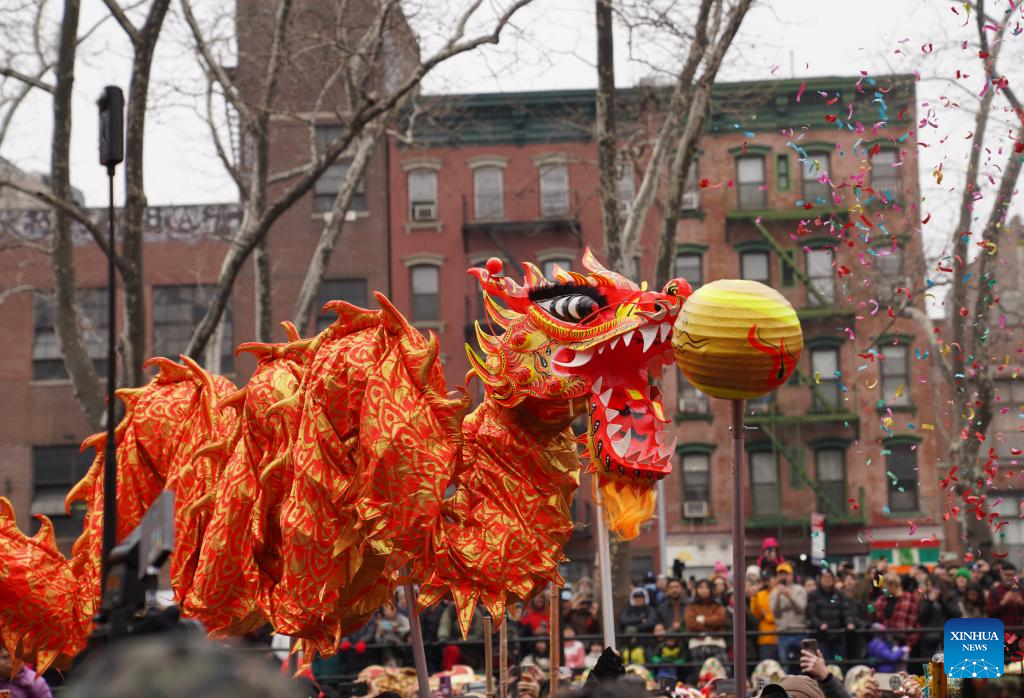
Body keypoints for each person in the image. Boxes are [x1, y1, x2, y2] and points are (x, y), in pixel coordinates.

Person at [684, 579, 727, 682]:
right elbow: (691, 625)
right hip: (697, 643)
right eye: (701, 588)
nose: (704, 590)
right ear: (696, 590)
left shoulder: (718, 606)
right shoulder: (691, 606)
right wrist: (712, 624)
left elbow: (720, 621)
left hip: (717, 643)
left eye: (706, 588)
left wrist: (702, 619)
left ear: (711, 590)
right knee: (700, 675)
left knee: (723, 673)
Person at [807, 569, 854, 662]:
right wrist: (819, 624)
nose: (827, 579)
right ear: (820, 579)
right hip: (821, 638)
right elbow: (811, 614)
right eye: (825, 577)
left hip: (838, 637)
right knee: (824, 662)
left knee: (839, 661)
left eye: (829, 577)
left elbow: (846, 610)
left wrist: (849, 622)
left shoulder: (839, 594)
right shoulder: (813, 595)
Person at [770, 562, 807, 670]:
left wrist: (789, 596)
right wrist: (778, 597)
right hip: (783, 633)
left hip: (799, 632)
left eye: (786, 574)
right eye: (780, 574)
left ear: (791, 575)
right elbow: (775, 614)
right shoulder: (774, 592)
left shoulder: (800, 590)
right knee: (784, 665)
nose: (783, 577)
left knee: (803, 665)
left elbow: (801, 609)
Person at [870, 573, 920, 655]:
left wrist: (910, 641)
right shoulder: (882, 599)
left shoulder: (909, 598)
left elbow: (914, 621)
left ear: (893, 585)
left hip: (904, 642)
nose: (883, 590)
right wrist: (870, 607)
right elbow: (873, 615)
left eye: (885, 587)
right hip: (885, 642)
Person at [751, 568, 779, 661]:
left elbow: (780, 615)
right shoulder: (759, 594)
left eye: (768, 579)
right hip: (765, 637)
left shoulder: (779, 592)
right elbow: (755, 614)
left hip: (779, 635)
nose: (766, 582)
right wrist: (754, 596)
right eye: (764, 580)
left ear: (774, 579)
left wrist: (767, 616)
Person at [986, 563, 1023, 628]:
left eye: (1012, 575)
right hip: (1001, 630)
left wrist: (1021, 603)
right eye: (1006, 575)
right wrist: (1003, 602)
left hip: (1020, 630)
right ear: (1001, 575)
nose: (1010, 578)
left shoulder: (1022, 590)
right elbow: (990, 613)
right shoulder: (994, 591)